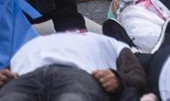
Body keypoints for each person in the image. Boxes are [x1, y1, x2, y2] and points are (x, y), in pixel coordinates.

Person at [0, 31, 147, 100]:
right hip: (24, 77)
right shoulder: (31, 44)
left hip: (78, 74)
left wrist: (118, 79)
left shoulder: (110, 43)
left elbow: (137, 76)